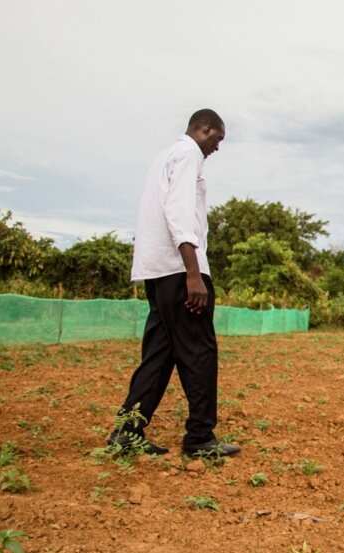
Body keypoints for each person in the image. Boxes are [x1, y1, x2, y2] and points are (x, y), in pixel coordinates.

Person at [107, 109, 239, 457]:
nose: (217, 148)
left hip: (157, 272)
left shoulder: (166, 156)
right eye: (217, 139)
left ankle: (127, 432)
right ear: (204, 129)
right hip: (180, 270)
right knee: (199, 353)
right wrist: (193, 273)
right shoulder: (189, 154)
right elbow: (179, 212)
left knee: (159, 355)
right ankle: (199, 437)